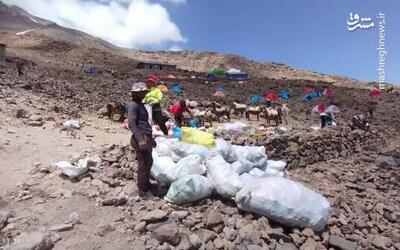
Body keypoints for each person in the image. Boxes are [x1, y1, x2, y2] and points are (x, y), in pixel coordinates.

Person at [127, 82, 156, 197]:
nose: (145, 94)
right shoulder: (133, 105)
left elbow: (144, 123)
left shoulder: (140, 104)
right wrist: (140, 140)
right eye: (143, 92)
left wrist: (151, 139)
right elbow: (132, 124)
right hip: (141, 137)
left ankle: (146, 184)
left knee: (149, 162)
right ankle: (143, 193)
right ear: (137, 93)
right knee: (143, 164)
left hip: (145, 136)